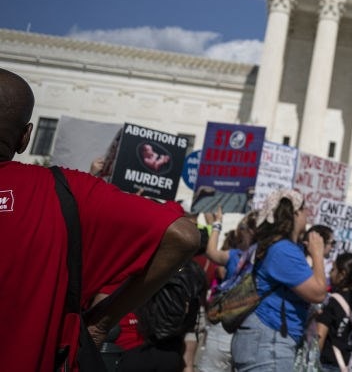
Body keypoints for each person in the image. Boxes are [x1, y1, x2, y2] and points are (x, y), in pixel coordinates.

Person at [0, 67, 201, 372]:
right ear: (25, 137)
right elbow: (184, 235)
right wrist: (100, 323)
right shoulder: (64, 191)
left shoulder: (67, 191)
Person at [230, 188, 328, 372]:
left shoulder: (278, 246)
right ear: (295, 213)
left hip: (265, 340)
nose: (308, 214)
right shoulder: (283, 250)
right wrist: (318, 254)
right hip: (269, 342)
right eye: (304, 209)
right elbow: (319, 293)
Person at [196, 209, 258, 372]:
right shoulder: (268, 259)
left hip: (225, 326)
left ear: (247, 232)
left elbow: (211, 252)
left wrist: (217, 224)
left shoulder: (235, 255)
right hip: (250, 334)